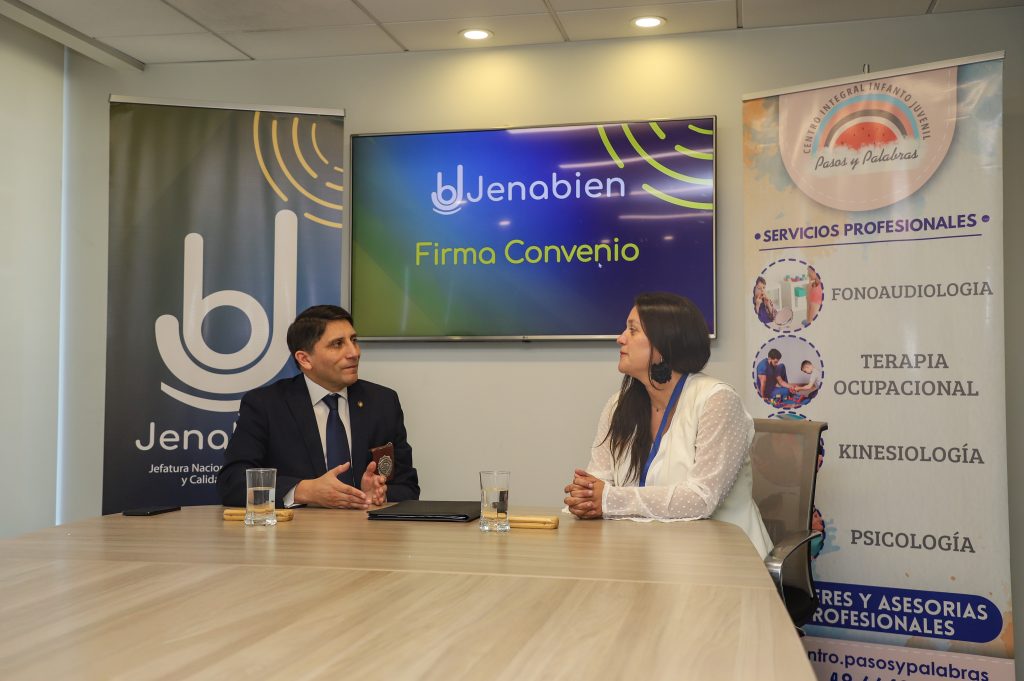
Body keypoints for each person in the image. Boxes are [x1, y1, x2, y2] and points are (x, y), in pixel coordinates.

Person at [563, 292, 772, 559]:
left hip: (722, 558)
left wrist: (608, 499)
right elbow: (598, 483)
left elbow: (701, 499)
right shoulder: (618, 405)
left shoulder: (717, 400)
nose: (620, 338)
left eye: (632, 330)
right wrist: (585, 498)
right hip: (644, 556)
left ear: (663, 345)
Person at [217, 305, 419, 509]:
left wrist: (378, 494)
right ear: (305, 359)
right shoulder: (266, 405)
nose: (354, 352)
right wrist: (304, 491)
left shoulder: (382, 402)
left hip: (365, 526)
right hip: (299, 528)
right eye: (338, 344)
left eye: (354, 340)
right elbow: (232, 483)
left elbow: (408, 487)